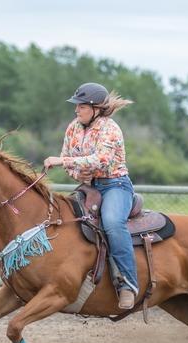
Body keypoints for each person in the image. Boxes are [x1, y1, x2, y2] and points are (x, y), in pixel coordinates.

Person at [44, 82, 138, 309]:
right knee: (64, 218)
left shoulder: (110, 128)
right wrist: (76, 169)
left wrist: (65, 162)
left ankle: (128, 283)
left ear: (96, 108)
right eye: (76, 106)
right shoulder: (73, 128)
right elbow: (69, 164)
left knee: (113, 223)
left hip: (116, 185)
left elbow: (102, 160)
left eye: (81, 106)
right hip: (89, 187)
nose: (76, 110)